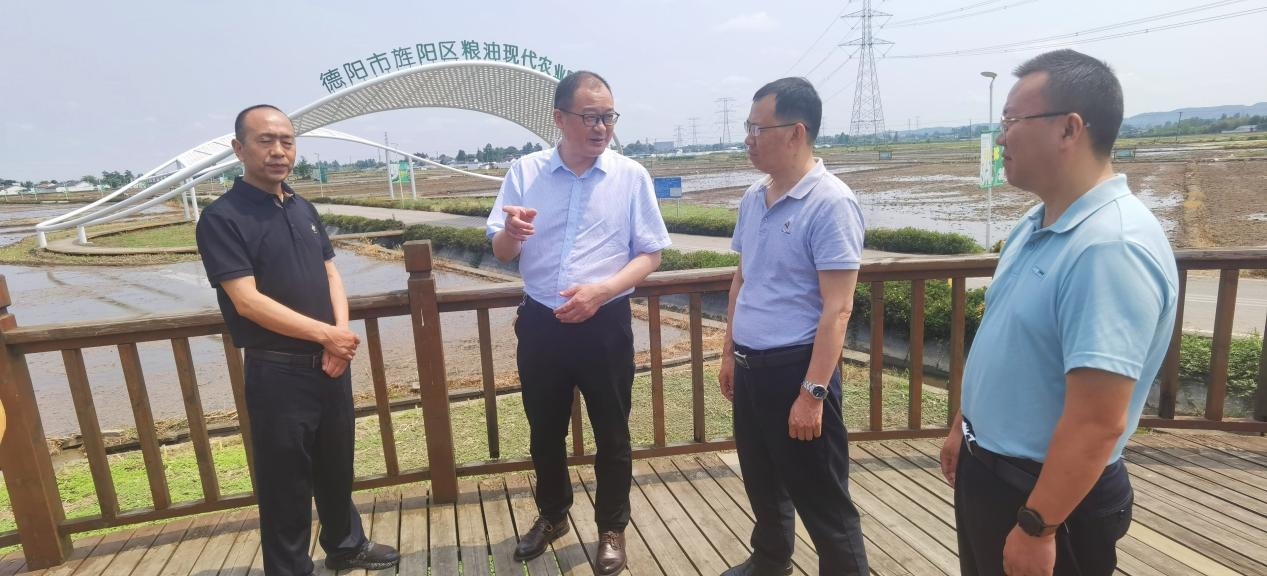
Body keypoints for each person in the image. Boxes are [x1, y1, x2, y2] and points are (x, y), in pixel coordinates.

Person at [939, 50, 1179, 576]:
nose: (1001, 137)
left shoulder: (1111, 246)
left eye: (1011, 121)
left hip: (1045, 498)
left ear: (1070, 129)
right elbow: (1009, 343)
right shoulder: (1036, 222)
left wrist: (1037, 526)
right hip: (992, 472)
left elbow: (1097, 421)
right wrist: (964, 426)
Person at [196, 104, 399, 575]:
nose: (278, 151)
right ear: (239, 149)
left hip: (329, 364)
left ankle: (346, 546)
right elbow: (247, 301)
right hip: (278, 369)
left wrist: (339, 337)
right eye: (265, 140)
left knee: (336, 465)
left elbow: (331, 274)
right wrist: (328, 336)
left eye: (286, 141)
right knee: (285, 481)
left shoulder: (302, 207)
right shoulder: (223, 218)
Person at [486, 70, 671, 575]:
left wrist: (602, 291)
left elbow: (651, 253)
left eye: (608, 116)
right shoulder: (525, 172)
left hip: (604, 322)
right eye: (590, 117)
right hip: (541, 322)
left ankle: (611, 527)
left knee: (612, 431)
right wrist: (511, 232)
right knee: (544, 430)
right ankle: (552, 516)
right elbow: (502, 251)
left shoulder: (630, 176)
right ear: (559, 118)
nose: (601, 127)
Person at [718, 77, 869, 576]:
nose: (748, 139)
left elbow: (838, 309)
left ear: (796, 132)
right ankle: (770, 560)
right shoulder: (753, 197)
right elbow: (743, 278)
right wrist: (728, 352)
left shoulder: (831, 202)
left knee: (823, 499)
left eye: (758, 129)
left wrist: (812, 393)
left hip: (796, 370)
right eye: (748, 128)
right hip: (751, 368)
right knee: (762, 480)